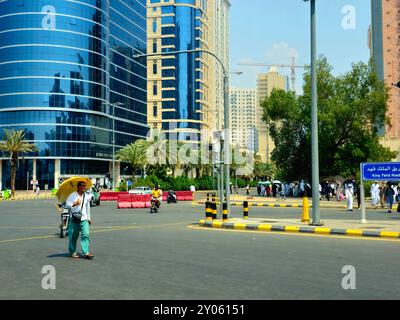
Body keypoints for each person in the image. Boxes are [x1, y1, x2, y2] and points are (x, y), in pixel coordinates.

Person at [66, 181, 94, 260]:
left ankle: (86, 252)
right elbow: (67, 205)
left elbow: (87, 207)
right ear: (78, 187)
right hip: (75, 219)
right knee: (73, 237)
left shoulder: (86, 196)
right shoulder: (72, 195)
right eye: (83, 186)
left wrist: (89, 218)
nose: (85, 187)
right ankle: (72, 251)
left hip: (84, 219)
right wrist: (74, 203)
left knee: (86, 234)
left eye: (85, 186)